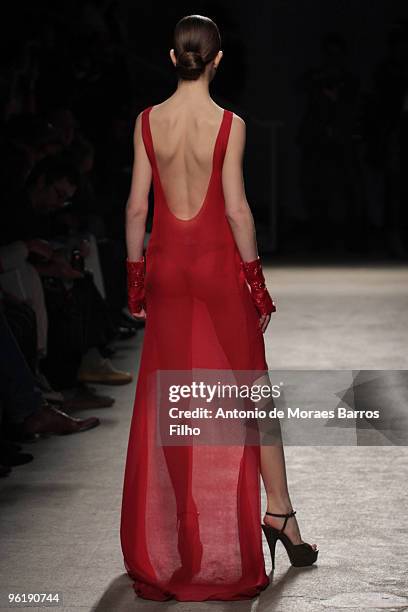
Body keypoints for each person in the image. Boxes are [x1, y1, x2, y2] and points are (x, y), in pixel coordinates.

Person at [120, 14, 318, 602]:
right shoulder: (229, 124)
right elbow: (236, 210)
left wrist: (135, 284)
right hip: (214, 267)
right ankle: (279, 512)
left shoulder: (146, 122)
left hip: (165, 267)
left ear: (171, 56)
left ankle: (186, 539)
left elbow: (136, 208)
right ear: (218, 60)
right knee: (251, 391)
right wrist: (256, 284)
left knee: (173, 395)